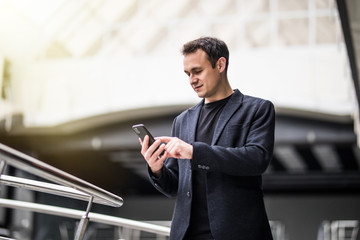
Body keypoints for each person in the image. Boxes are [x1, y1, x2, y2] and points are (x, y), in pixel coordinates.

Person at [139, 37, 275, 240]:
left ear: (220, 64)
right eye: (187, 74)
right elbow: (175, 186)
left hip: (238, 233)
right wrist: (157, 169)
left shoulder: (257, 109)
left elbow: (257, 159)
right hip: (188, 234)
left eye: (197, 71)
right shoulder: (182, 121)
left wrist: (194, 152)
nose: (192, 80)